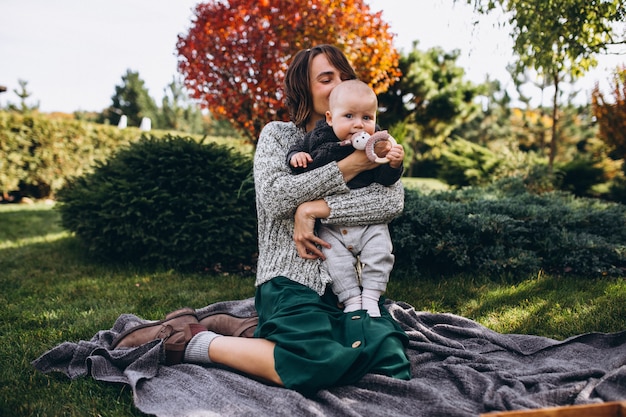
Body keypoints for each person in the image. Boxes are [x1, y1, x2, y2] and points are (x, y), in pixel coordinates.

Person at [111, 44, 411, 395]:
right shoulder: (279, 135)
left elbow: (390, 200)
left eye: (344, 76)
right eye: (326, 79)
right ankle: (191, 339)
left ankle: (250, 332)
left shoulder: (372, 140)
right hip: (290, 276)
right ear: (305, 89)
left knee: (391, 357)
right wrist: (349, 167)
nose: (339, 85)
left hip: (347, 285)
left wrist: (313, 210)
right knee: (311, 363)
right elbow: (274, 197)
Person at [286, 79, 405, 317]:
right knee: (335, 262)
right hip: (332, 226)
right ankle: (351, 299)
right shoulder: (319, 136)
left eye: (367, 118)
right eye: (349, 116)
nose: (358, 124)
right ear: (330, 118)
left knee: (380, 254)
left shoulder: (377, 144)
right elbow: (301, 161)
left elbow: (385, 180)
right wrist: (296, 155)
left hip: (369, 220)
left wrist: (393, 163)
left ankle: (371, 297)